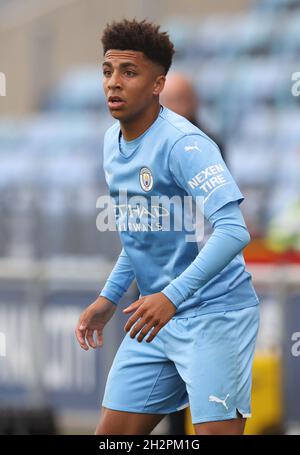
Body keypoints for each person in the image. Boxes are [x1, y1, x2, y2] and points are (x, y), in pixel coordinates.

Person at [75, 18, 260, 436]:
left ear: (158, 84)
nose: (114, 83)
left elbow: (234, 231)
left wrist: (171, 298)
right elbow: (141, 234)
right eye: (108, 71)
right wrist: (109, 298)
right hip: (156, 317)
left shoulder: (185, 145)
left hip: (214, 314)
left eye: (129, 72)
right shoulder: (112, 142)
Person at [160, 72, 227, 435]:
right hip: (161, 276)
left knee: (204, 380)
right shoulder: (149, 142)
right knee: (165, 372)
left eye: (177, 100)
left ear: (193, 103)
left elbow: (214, 221)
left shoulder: (206, 145)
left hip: (199, 280)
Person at [160, 72, 226, 161]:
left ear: (194, 101)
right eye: (168, 101)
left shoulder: (209, 144)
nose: (175, 107)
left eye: (181, 100)